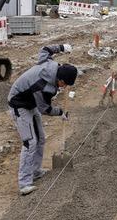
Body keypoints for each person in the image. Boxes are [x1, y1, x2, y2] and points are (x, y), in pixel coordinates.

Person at [7, 44, 77, 196]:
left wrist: (61, 47)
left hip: (30, 102)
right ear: (59, 78)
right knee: (30, 142)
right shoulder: (42, 86)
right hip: (19, 104)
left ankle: (36, 171)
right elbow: (44, 109)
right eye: (63, 84)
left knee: (41, 139)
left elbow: (45, 49)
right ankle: (24, 183)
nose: (63, 87)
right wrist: (60, 112)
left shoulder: (50, 63)